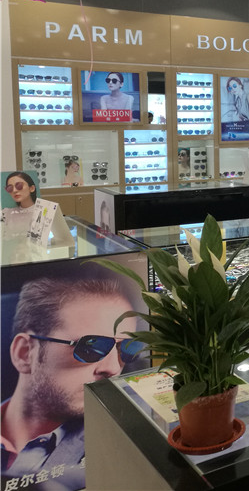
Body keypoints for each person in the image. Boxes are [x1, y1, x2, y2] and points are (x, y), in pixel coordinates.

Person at [1, 272, 142, 491]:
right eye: (92, 347)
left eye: (127, 348)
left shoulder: (128, 440)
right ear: (25, 353)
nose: (114, 368)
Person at [1, 172, 39, 237]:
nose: (14, 190)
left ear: (32, 188)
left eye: (19, 186)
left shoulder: (44, 213)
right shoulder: (5, 214)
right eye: (10, 188)